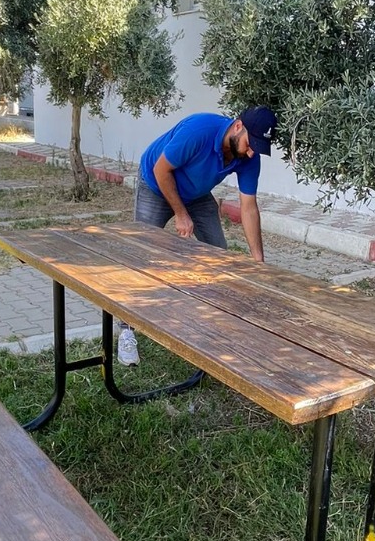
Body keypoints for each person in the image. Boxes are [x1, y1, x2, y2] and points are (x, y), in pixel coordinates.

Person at [117, 106, 277, 365]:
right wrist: (181, 214)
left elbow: (249, 207)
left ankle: (214, 325)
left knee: (219, 252)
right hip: (156, 184)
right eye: (250, 143)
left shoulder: (249, 156)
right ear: (238, 126)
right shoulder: (199, 131)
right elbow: (161, 170)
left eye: (257, 147)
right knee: (142, 256)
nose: (251, 151)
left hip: (196, 193)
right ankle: (126, 330)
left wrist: (258, 261)